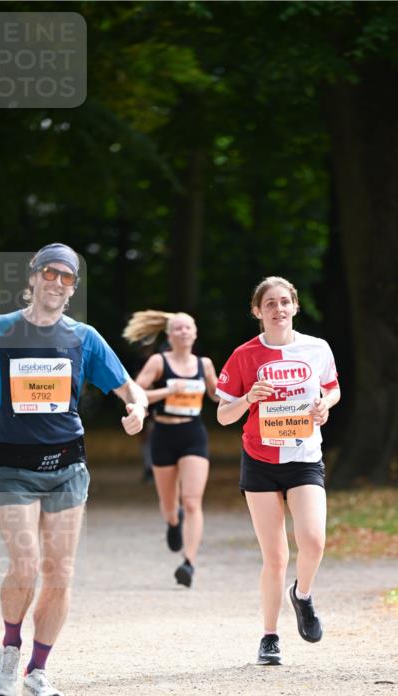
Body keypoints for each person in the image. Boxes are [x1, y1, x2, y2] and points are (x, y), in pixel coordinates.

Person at [0, 243, 148, 696]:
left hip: (67, 466)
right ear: (34, 276)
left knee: (59, 573)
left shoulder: (84, 337)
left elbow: (129, 388)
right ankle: (9, 649)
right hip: (12, 466)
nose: (57, 282)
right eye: (50, 273)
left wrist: (136, 408)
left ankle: (37, 672)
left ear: (73, 287)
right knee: (25, 564)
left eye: (67, 277)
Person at [216, 276, 340, 665]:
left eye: (284, 302)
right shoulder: (244, 355)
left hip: (304, 457)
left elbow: (333, 388)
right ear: (257, 311)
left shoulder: (317, 348)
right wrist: (248, 397)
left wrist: (325, 405)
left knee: (313, 540)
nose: (278, 309)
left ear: (295, 306)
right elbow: (223, 415)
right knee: (275, 557)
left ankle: (302, 595)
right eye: (269, 303)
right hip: (260, 461)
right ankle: (269, 637)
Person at [123, 310, 219, 587]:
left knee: (192, 501)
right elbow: (135, 392)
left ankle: (189, 563)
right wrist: (168, 391)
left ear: (195, 333)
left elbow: (216, 394)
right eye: (178, 328)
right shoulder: (158, 361)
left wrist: (236, 392)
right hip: (163, 435)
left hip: (193, 435)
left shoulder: (205, 364)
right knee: (169, 504)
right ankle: (173, 522)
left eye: (188, 327)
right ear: (169, 335)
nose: (183, 332)